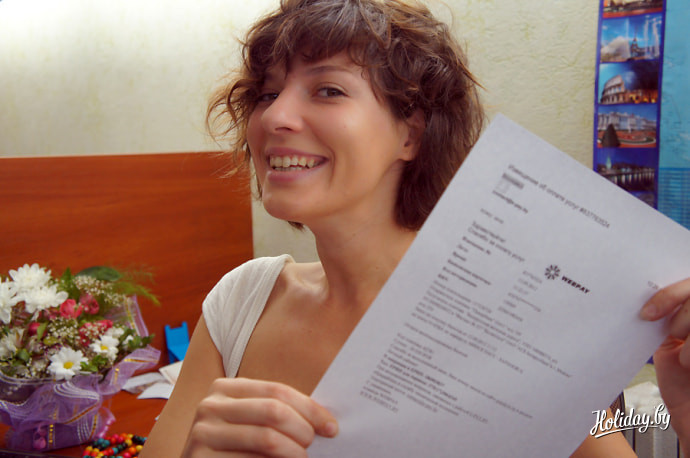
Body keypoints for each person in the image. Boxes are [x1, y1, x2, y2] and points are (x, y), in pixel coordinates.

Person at [141, 0, 690, 456]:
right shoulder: (242, 300)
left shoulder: (511, 318)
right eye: (266, 93)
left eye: (328, 89)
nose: (275, 117)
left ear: (412, 133)